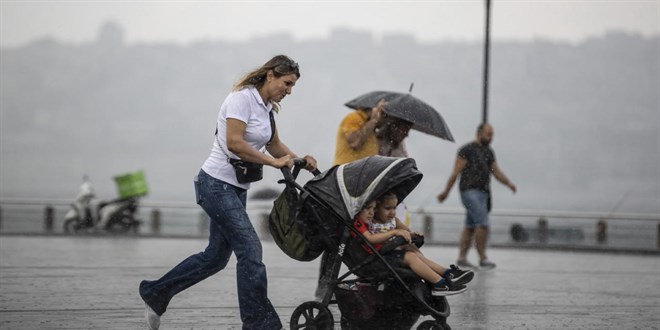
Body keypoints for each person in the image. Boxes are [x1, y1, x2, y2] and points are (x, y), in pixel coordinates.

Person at [139, 55, 318, 330]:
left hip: (235, 188)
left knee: (215, 258)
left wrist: (300, 160)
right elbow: (234, 143)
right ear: (270, 75)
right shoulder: (241, 98)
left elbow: (274, 144)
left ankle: (156, 293)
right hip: (214, 184)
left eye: (293, 86)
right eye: (287, 83)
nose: (289, 90)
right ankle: (259, 324)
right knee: (251, 248)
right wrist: (273, 163)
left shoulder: (267, 108)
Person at [353, 193, 474, 296]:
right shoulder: (360, 222)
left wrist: (413, 234)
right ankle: (440, 284)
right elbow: (371, 238)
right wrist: (394, 232)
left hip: (385, 252)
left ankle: (446, 273)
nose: (371, 213)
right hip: (376, 258)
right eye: (388, 208)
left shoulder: (389, 220)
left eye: (394, 208)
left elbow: (406, 230)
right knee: (410, 257)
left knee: (411, 248)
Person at [437, 123, 516, 270]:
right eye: (488, 134)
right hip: (469, 191)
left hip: (483, 193)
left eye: (492, 135)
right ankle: (483, 258)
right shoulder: (466, 150)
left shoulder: (489, 151)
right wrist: (446, 192)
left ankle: (461, 258)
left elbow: (496, 171)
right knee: (483, 223)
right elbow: (455, 173)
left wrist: (509, 183)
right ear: (479, 133)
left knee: (470, 226)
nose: (491, 138)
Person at [333, 100, 385, 165]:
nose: (381, 116)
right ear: (373, 109)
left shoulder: (370, 126)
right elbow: (355, 142)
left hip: (363, 171)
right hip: (348, 170)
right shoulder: (354, 117)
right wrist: (373, 120)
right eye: (381, 112)